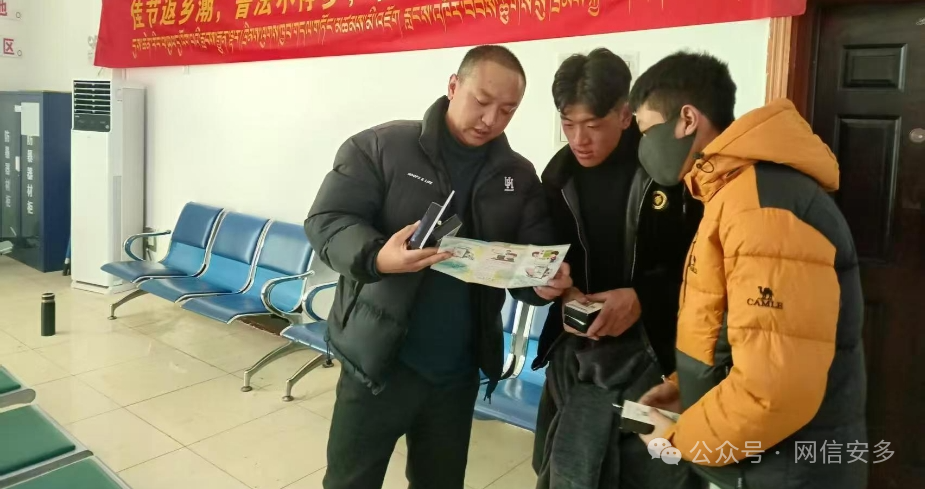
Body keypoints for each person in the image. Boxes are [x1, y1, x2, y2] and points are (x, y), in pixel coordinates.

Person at [304, 45, 573, 489]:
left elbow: (531, 256)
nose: (491, 119)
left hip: (456, 373)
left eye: (507, 110)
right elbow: (327, 221)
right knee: (351, 482)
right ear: (453, 86)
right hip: (377, 364)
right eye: (481, 101)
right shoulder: (381, 147)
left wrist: (542, 283)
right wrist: (378, 256)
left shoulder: (517, 176)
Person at [630, 52, 866, 489]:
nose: (643, 147)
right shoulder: (733, 194)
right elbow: (742, 332)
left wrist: (680, 439)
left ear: (687, 119)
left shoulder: (762, 207)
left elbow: (773, 391)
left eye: (646, 131)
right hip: (760, 460)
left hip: (785, 469)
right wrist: (689, 385)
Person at [531, 49, 701, 489]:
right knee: (565, 466)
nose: (578, 139)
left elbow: (705, 267)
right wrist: (557, 288)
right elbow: (543, 259)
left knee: (652, 472)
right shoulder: (558, 177)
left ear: (625, 115)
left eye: (592, 125)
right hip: (577, 356)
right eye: (568, 124)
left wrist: (643, 299)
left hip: (658, 356)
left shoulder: (669, 175)